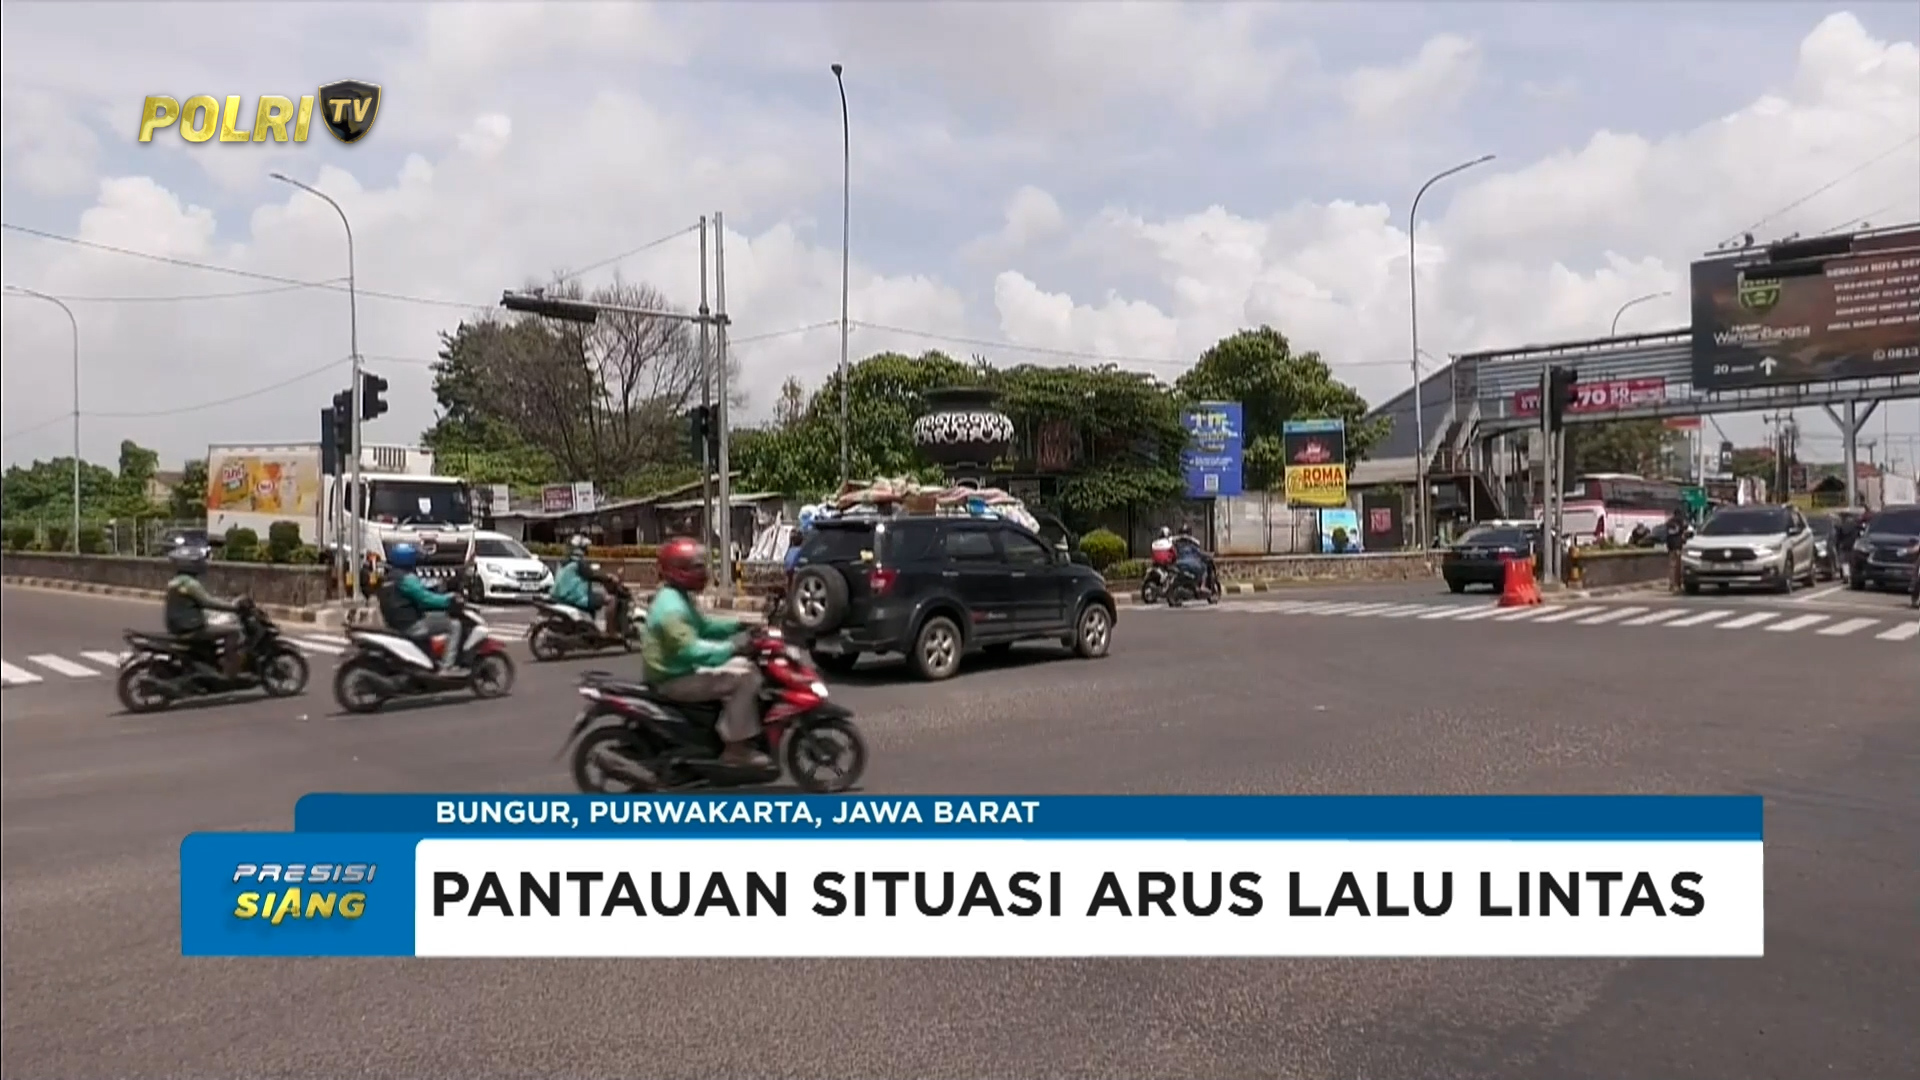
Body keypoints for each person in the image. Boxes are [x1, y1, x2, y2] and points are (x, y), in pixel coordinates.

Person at [642, 536, 768, 769]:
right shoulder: (671, 608)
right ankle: (736, 750)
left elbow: (704, 626)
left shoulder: (678, 597)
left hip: (681, 669)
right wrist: (734, 647)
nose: (702, 572)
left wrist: (739, 625)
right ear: (678, 570)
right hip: (674, 679)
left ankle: (734, 723)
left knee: (746, 667)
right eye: (695, 567)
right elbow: (692, 650)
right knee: (745, 679)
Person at [163, 544, 245, 679]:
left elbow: (197, 602)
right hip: (191, 628)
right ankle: (230, 670)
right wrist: (234, 607)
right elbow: (207, 602)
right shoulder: (190, 584)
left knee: (215, 629)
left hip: (179, 626)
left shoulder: (175, 582)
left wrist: (224, 602)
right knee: (233, 632)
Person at [378, 542, 461, 671]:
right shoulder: (406, 579)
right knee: (455, 625)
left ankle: (432, 657)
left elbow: (418, 592)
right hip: (411, 625)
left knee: (434, 617)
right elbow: (425, 599)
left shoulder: (389, 577)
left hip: (396, 623)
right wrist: (447, 600)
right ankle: (447, 667)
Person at [550, 535, 625, 637]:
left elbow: (590, 574)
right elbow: (592, 575)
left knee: (597, 595)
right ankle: (611, 632)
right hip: (575, 596)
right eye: (585, 548)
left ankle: (592, 627)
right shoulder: (578, 562)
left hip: (562, 595)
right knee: (611, 600)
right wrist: (609, 578)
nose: (586, 550)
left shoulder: (566, 561)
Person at [1664, 507, 1690, 592]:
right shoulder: (1681, 521)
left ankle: (1671, 584)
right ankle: (1677, 584)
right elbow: (1686, 530)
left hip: (1670, 545)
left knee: (1672, 565)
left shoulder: (1669, 522)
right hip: (1678, 545)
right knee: (1678, 566)